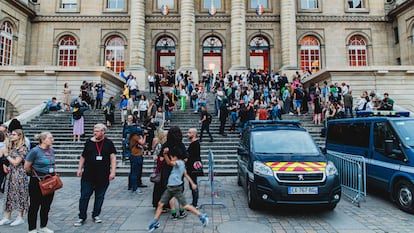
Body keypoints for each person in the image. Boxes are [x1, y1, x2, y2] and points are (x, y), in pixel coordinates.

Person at [147, 146, 208, 232]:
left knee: (185, 205)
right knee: (160, 204)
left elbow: (169, 163)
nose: (171, 158)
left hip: (175, 188)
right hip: (170, 187)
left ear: (176, 157)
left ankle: (201, 216)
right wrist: (192, 183)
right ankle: (155, 222)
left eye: (172, 156)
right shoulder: (182, 163)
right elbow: (186, 174)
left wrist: (165, 154)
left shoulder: (179, 163)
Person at [74, 124, 117, 227]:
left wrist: (113, 171)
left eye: (97, 131)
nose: (95, 133)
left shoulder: (109, 143)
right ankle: (82, 216)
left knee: (100, 196)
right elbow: (83, 156)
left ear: (103, 132)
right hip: (88, 175)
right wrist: (79, 168)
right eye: (94, 131)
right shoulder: (89, 142)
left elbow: (113, 158)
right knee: (84, 196)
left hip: (103, 175)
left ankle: (96, 214)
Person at [24, 132, 56, 233]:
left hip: (50, 180)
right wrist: (35, 174)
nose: (52, 140)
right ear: (43, 140)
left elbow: (53, 163)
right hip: (37, 181)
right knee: (34, 205)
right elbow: (27, 167)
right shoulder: (35, 151)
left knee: (46, 205)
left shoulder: (52, 150)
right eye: (50, 138)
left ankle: (43, 226)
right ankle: (32, 228)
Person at [0, 129, 29, 227]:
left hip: (19, 174)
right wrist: (5, 163)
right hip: (11, 173)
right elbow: (6, 159)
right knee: (8, 194)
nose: (11, 136)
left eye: (14, 135)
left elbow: (16, 162)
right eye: (11, 134)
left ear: (19, 136)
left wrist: (6, 155)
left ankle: (20, 217)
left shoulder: (23, 148)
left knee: (19, 194)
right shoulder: (12, 146)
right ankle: (7, 217)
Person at [186, 128, 203, 208]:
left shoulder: (195, 143)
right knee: (192, 183)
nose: (188, 134)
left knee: (193, 183)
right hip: (190, 166)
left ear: (194, 134)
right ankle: (194, 202)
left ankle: (195, 203)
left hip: (193, 166)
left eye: (189, 133)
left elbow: (193, 155)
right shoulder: (193, 142)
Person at [129, 125, 147, 193]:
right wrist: (145, 135)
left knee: (136, 171)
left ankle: (133, 184)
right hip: (136, 155)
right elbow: (142, 142)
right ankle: (134, 187)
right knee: (135, 172)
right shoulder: (135, 136)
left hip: (136, 154)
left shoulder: (134, 136)